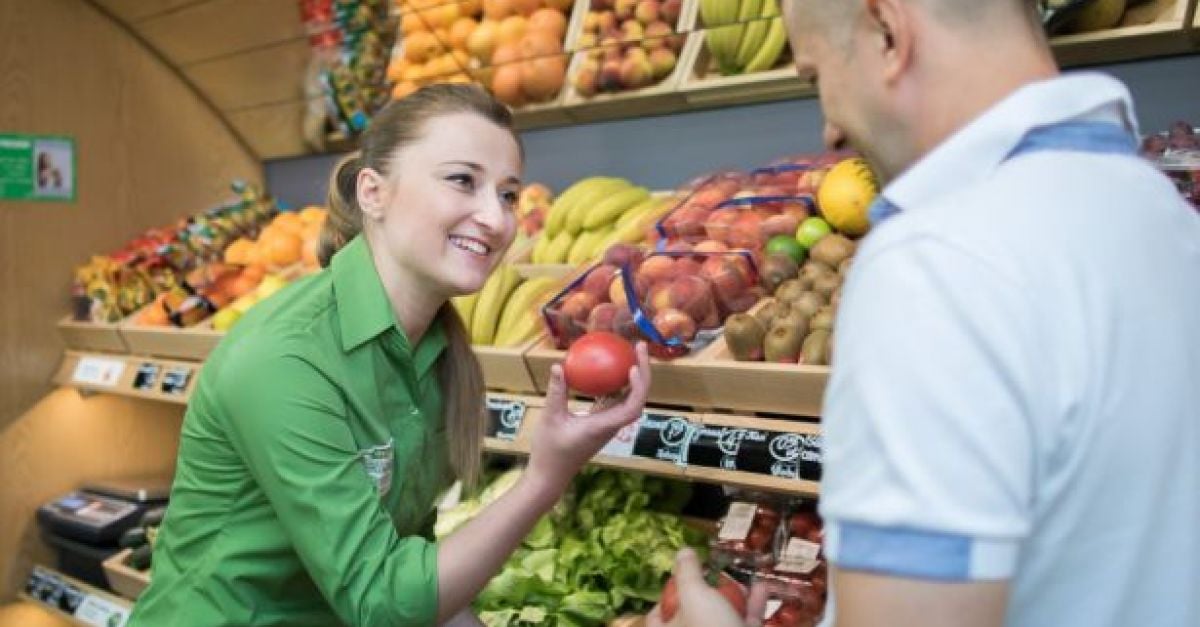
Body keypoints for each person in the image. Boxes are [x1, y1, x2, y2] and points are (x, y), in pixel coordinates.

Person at [651, 1, 1200, 626]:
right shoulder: (1165, 217)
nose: (829, 129)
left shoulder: (936, 264)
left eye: (817, 78)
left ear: (887, 30)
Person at [129, 84, 651, 626]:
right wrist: (546, 477)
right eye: (462, 181)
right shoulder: (285, 360)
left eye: (509, 195)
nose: (496, 220)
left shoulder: (436, 351)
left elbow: (411, 562)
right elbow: (382, 601)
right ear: (373, 193)